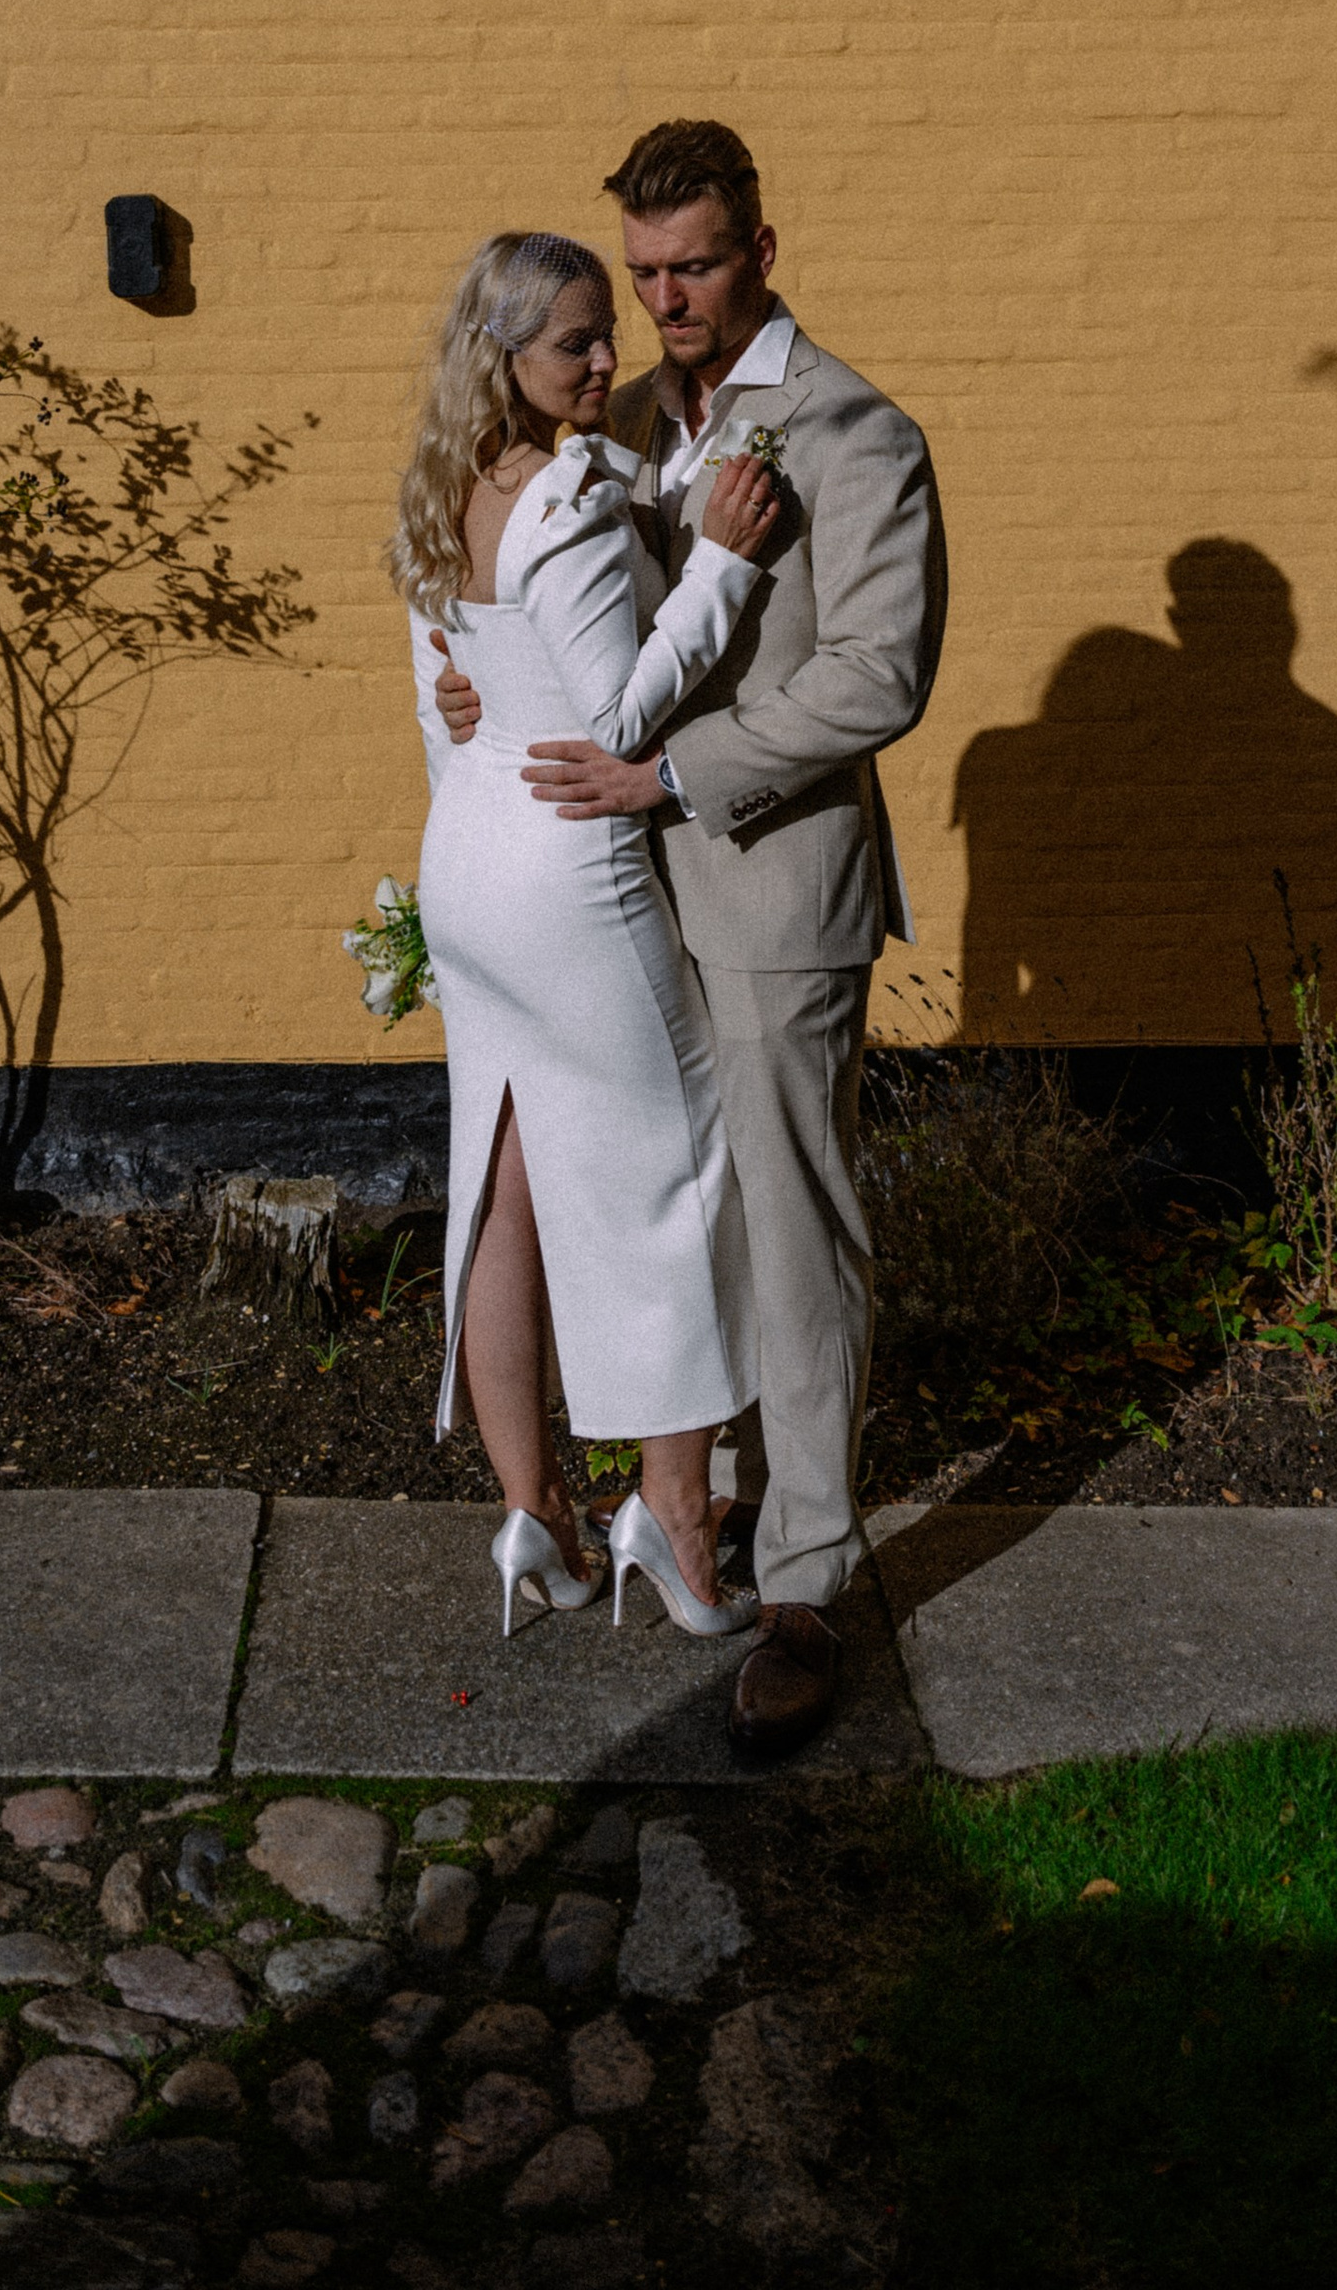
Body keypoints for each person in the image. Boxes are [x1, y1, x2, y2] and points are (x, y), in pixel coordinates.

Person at [434, 124, 945, 1757]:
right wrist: (484, 677)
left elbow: (877, 675)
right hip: (622, 901)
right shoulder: (628, 420)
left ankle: (801, 1587)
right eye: (642, 275)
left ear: (763, 249)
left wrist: (673, 772)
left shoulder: (857, 433)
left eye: (696, 267)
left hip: (779, 893)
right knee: (672, 1217)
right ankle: (690, 1511)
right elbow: (592, 628)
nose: (663, 301)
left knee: (792, 1234)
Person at [392, 229, 783, 1642]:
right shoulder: (560, 501)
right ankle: (675, 1523)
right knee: (674, 1177)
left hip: (470, 863)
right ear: (509, 357)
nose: (609, 359)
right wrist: (724, 566)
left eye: (609, 331)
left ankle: (532, 1515)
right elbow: (619, 715)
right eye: (577, 343)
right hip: (568, 873)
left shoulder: (446, 492)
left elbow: (445, 702)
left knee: (504, 1188)